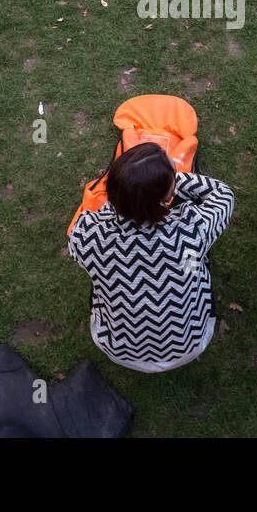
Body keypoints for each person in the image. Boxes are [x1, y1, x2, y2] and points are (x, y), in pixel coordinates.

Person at [68, 142, 235, 373]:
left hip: (118, 350)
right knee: (194, 262)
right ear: (167, 193)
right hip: (191, 344)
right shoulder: (192, 229)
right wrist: (174, 180)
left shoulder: (86, 236)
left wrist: (132, 192)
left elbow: (94, 217)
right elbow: (223, 194)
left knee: (99, 277)